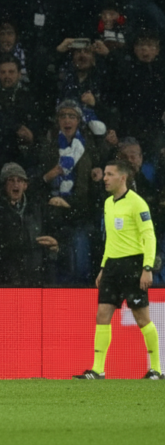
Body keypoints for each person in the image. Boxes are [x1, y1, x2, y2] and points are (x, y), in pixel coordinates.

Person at [74, 160, 160, 380]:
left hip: (133, 265)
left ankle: (157, 370)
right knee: (102, 315)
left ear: (123, 178)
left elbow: (149, 236)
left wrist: (147, 267)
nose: (105, 178)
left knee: (142, 319)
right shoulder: (108, 203)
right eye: (104, 174)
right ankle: (98, 369)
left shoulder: (137, 203)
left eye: (110, 174)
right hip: (112, 266)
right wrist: (104, 267)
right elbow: (110, 239)